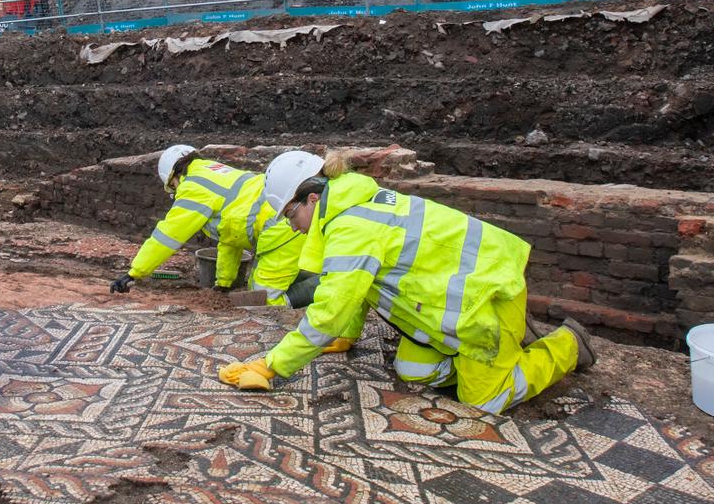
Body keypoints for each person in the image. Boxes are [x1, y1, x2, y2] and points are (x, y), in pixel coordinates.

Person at [217, 150, 595, 413]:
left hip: (487, 297)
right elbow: (356, 288)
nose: (290, 225)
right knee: (414, 371)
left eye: (289, 214)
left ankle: (566, 345)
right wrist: (346, 337)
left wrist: (271, 366)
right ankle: (491, 352)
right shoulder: (351, 207)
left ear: (312, 198)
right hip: (450, 306)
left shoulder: (351, 227)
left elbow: (330, 309)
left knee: (485, 401)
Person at [109, 145, 312, 307]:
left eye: (173, 189)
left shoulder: (193, 187)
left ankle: (318, 292)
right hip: (292, 215)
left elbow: (167, 236)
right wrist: (223, 284)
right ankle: (317, 284)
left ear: (173, 179)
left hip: (284, 223)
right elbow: (231, 238)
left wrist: (134, 272)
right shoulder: (216, 173)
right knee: (257, 290)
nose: (175, 193)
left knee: (263, 301)